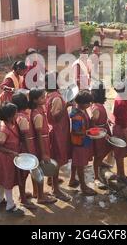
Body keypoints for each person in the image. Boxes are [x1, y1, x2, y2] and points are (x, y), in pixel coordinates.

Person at [0, 102, 25, 215]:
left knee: (4, 179)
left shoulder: (12, 123)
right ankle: (10, 205)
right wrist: (12, 152)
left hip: (10, 157)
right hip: (6, 158)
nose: (17, 115)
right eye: (16, 114)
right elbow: (0, 147)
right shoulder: (3, 130)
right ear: (9, 116)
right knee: (8, 180)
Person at [45, 73, 72, 202]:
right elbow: (56, 116)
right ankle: (55, 189)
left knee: (54, 156)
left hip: (54, 129)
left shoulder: (49, 95)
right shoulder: (56, 98)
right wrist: (66, 106)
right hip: (58, 131)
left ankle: (51, 179)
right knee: (57, 158)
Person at [12, 91, 40, 209]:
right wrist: (30, 152)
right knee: (24, 174)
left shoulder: (18, 116)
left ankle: (28, 193)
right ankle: (23, 198)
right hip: (26, 148)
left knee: (24, 173)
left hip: (22, 148)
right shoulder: (22, 118)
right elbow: (25, 137)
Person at [29, 88, 57, 205]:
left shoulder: (39, 110)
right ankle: (41, 197)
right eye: (42, 97)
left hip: (42, 142)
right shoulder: (37, 114)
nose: (45, 99)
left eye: (44, 96)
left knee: (36, 168)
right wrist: (44, 153)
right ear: (35, 100)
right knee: (40, 169)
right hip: (41, 144)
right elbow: (39, 136)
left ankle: (37, 192)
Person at [69, 90, 96, 196]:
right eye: (88, 103)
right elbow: (75, 131)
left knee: (76, 162)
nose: (90, 104)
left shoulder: (82, 111)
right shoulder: (77, 115)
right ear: (83, 103)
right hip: (79, 142)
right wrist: (87, 132)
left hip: (82, 141)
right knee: (80, 165)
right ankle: (83, 186)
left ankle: (72, 179)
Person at [112, 82, 127, 188]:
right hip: (121, 131)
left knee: (119, 154)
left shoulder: (120, 98)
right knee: (120, 154)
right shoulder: (121, 103)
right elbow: (123, 125)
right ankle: (121, 176)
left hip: (121, 129)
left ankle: (119, 173)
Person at [90, 81, 113, 189]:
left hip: (104, 130)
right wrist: (102, 134)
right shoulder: (96, 108)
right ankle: (96, 177)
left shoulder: (99, 106)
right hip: (99, 134)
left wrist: (107, 120)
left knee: (106, 149)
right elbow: (92, 123)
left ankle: (101, 163)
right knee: (98, 154)